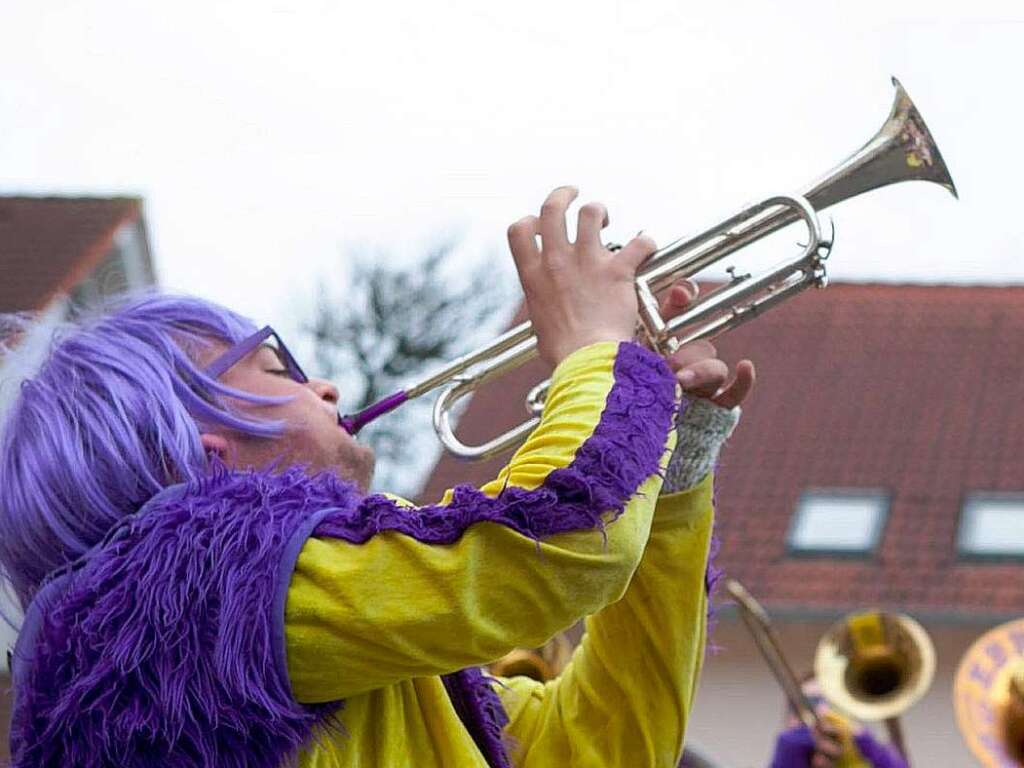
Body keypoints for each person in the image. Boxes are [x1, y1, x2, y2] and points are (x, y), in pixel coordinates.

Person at [1, 186, 754, 767]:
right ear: (202, 443)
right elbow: (558, 543)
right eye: (277, 367)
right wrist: (595, 349)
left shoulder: (302, 615)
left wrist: (678, 462)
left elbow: (608, 747)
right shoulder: (181, 594)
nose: (324, 387)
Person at [768, 677, 908, 768]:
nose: (822, 711)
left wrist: (864, 742)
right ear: (790, 718)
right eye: (811, 702)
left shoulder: (868, 750)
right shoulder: (789, 745)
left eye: (832, 704)